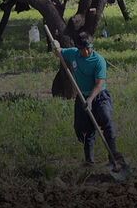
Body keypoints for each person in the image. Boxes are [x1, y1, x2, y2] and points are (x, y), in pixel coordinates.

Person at [52, 31, 127, 174]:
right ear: (78, 48)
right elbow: (59, 52)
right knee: (83, 130)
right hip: (81, 97)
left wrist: (90, 99)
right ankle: (89, 161)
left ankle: (113, 158)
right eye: (83, 49)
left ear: (92, 46)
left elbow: (99, 84)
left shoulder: (99, 61)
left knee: (107, 123)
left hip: (99, 97)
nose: (86, 51)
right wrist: (56, 47)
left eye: (88, 48)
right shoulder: (73, 54)